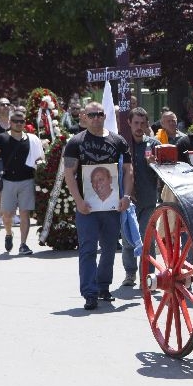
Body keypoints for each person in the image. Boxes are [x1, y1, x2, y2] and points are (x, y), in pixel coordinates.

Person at [62, 101, 133, 310]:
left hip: (111, 206)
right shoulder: (76, 142)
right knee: (88, 250)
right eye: (92, 115)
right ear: (84, 116)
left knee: (110, 248)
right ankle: (89, 293)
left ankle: (103, 286)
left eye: (100, 114)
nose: (96, 118)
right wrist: (78, 201)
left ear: (105, 115)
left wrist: (127, 196)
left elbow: (128, 170)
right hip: (87, 207)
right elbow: (69, 173)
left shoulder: (117, 140)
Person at [0, 109, 42, 254]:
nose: (18, 124)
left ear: (25, 123)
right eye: (15, 121)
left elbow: (38, 158)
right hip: (8, 181)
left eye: (21, 121)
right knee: (7, 214)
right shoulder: (1, 138)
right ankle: (8, 233)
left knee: (24, 213)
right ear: (10, 122)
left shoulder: (32, 139)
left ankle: (23, 244)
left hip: (27, 180)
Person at [121, 107, 161, 287]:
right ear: (129, 123)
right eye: (135, 123)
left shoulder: (153, 145)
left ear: (146, 124)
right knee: (128, 238)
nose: (138, 126)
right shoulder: (121, 145)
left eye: (142, 123)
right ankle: (130, 273)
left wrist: (155, 165)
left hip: (148, 200)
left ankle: (148, 275)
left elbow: (165, 170)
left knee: (147, 238)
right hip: (127, 201)